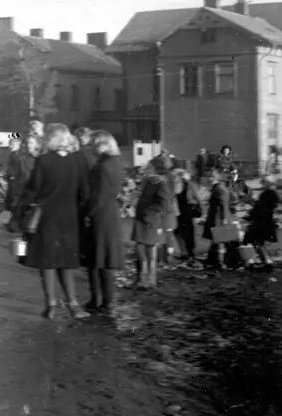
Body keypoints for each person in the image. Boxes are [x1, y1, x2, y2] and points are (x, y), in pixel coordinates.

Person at [15, 123, 90, 320]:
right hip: (69, 217)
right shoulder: (79, 161)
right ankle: (73, 304)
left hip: (46, 217)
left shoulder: (44, 161)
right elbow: (85, 192)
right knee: (66, 261)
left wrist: (21, 209)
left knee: (47, 261)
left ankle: (51, 305)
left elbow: (33, 189)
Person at [82, 131, 125, 317]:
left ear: (103, 145)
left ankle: (99, 300)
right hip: (110, 215)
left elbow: (97, 196)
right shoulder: (115, 164)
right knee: (104, 260)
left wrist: (86, 213)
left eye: (94, 144)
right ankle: (106, 301)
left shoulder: (102, 167)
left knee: (96, 260)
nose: (91, 147)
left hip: (100, 217)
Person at [132, 154, 174, 289]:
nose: (147, 167)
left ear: (155, 168)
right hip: (143, 219)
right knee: (144, 248)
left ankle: (147, 280)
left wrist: (151, 213)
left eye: (150, 166)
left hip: (149, 221)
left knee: (145, 249)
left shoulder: (160, 183)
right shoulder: (150, 181)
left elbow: (166, 206)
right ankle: (145, 280)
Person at [203, 168, 240, 271]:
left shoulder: (219, 189)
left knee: (219, 241)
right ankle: (216, 262)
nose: (209, 179)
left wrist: (223, 219)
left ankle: (220, 263)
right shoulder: (219, 188)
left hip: (218, 219)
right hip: (219, 217)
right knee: (219, 241)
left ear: (215, 178)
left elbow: (223, 204)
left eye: (210, 177)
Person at [243, 184, 280, 269]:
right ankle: (265, 260)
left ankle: (264, 261)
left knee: (256, 243)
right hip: (267, 228)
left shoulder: (259, 204)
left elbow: (253, 215)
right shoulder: (271, 205)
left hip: (257, 229)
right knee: (260, 244)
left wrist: (244, 217)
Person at [172, 164, 203, 265]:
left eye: (176, 176)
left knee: (188, 234)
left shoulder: (190, 185)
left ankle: (190, 255)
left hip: (187, 213)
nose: (174, 178)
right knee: (176, 232)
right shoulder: (175, 187)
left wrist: (202, 210)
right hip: (177, 213)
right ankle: (184, 252)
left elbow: (198, 198)